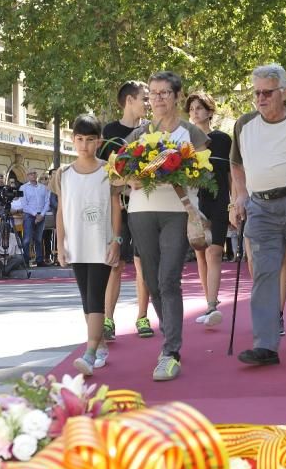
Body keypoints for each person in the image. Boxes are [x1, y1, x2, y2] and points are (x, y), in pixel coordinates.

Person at [231, 63, 286, 368]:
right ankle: (265, 344)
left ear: (283, 92)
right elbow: (236, 165)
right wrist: (240, 196)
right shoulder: (243, 125)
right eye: (256, 93)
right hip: (260, 208)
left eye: (267, 92)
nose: (260, 98)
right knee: (264, 274)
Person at [127, 71, 209, 381]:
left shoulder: (190, 133)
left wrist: (178, 170)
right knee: (151, 278)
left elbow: (204, 173)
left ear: (176, 95)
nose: (158, 99)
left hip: (177, 213)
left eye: (164, 93)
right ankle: (169, 337)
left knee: (168, 278)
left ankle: (171, 350)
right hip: (141, 213)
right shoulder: (138, 134)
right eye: (153, 93)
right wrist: (132, 177)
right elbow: (118, 172)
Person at [52, 114, 122, 377]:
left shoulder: (108, 171)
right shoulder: (64, 173)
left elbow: (117, 208)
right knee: (86, 297)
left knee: (95, 296)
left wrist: (116, 240)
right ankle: (100, 344)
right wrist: (60, 245)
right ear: (73, 140)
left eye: (90, 140)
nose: (84, 145)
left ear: (98, 141)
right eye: (79, 139)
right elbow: (61, 211)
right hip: (76, 244)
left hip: (101, 243)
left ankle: (90, 352)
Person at [98, 80, 154, 340]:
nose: (148, 102)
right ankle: (108, 320)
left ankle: (142, 318)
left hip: (145, 206)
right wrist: (123, 184)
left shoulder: (150, 130)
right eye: (144, 97)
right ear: (129, 100)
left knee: (143, 263)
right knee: (115, 263)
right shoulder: (110, 130)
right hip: (116, 207)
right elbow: (104, 171)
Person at [186, 91, 233, 328]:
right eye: (192, 108)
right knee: (201, 254)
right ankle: (208, 304)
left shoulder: (222, 140)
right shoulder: (185, 141)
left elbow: (230, 173)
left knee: (215, 251)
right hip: (195, 201)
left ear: (210, 111)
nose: (195, 112)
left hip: (220, 198)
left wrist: (235, 202)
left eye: (199, 108)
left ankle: (213, 305)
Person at [19, 169, 51, 267]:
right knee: (27, 239)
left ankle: (40, 260)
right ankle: (25, 260)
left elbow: (47, 202)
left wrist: (41, 214)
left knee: (38, 238)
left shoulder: (43, 187)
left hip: (41, 214)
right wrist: (35, 215)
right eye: (30, 174)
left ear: (36, 175)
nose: (33, 175)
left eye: (34, 173)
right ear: (27, 176)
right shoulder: (23, 188)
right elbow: (24, 205)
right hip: (29, 215)